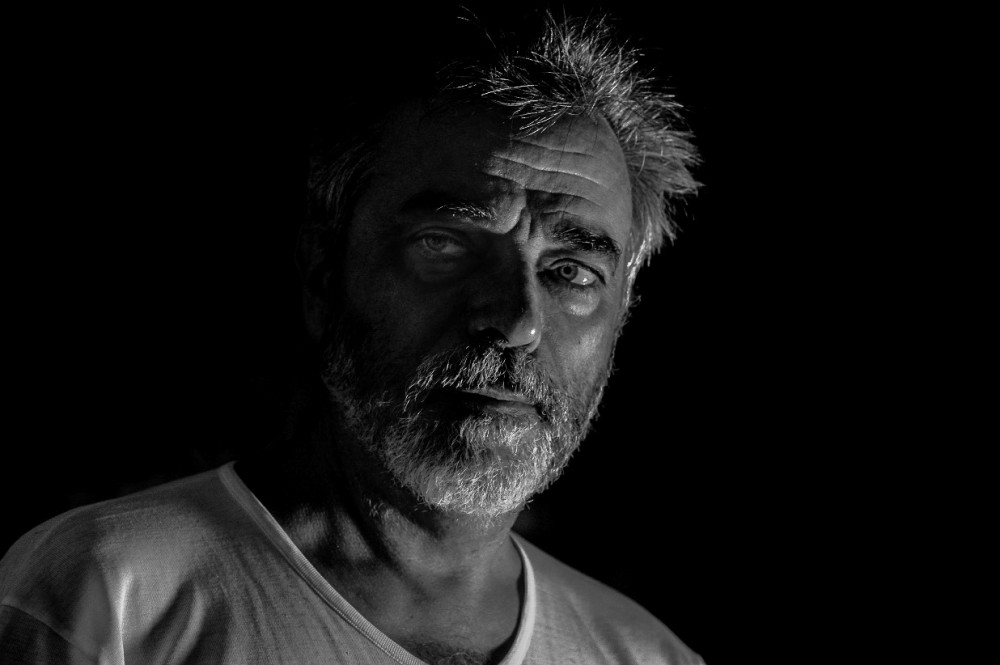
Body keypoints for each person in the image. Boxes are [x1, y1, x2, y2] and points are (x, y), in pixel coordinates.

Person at [0, 8, 703, 664]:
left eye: (573, 271)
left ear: (622, 315)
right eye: (445, 244)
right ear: (322, 270)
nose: (516, 321)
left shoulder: (646, 655)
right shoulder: (108, 594)